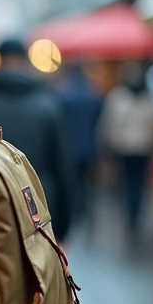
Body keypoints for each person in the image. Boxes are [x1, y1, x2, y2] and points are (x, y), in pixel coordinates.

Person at [0, 39, 75, 241]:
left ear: (0, 60)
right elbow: (63, 168)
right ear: (25, 61)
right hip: (39, 209)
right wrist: (64, 226)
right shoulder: (48, 104)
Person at [99, 62, 153, 234]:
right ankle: (134, 210)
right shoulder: (145, 99)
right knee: (134, 180)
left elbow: (110, 123)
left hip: (131, 146)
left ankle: (133, 210)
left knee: (132, 180)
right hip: (136, 147)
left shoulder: (120, 97)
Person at [56, 63, 104, 228]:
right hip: (89, 145)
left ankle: (77, 207)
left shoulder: (65, 96)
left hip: (70, 146)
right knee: (86, 180)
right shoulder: (93, 96)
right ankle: (86, 207)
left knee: (74, 179)